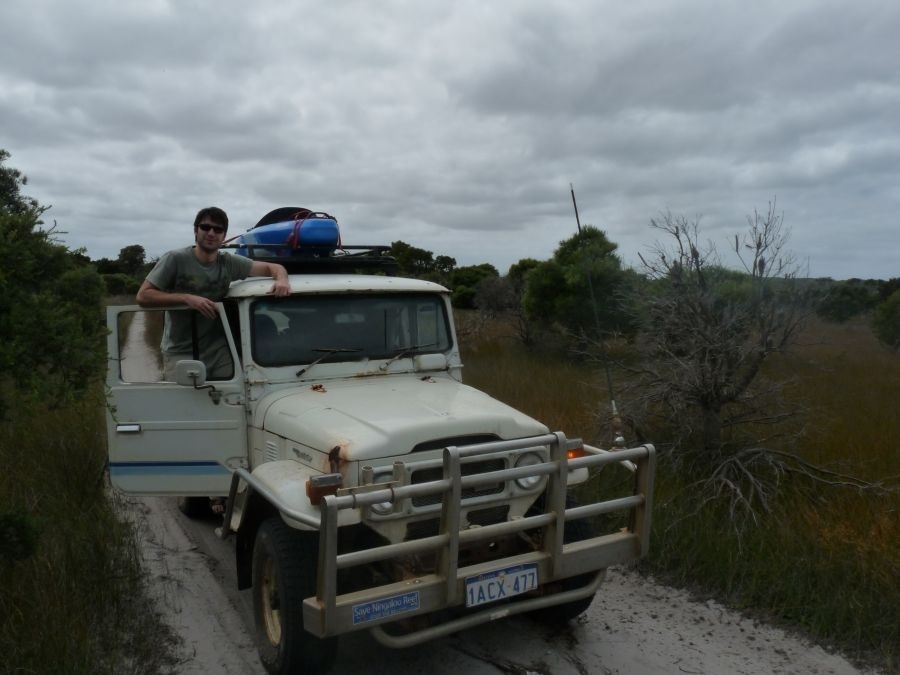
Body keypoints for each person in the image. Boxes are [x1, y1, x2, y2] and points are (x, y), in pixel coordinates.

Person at [137, 206, 290, 380]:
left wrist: (282, 280)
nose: (211, 233)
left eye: (218, 230)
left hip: (218, 349)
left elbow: (274, 268)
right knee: (185, 404)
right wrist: (187, 299)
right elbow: (143, 296)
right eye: (205, 227)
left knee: (238, 394)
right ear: (196, 230)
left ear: (224, 236)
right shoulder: (175, 259)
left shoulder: (228, 262)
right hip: (181, 350)